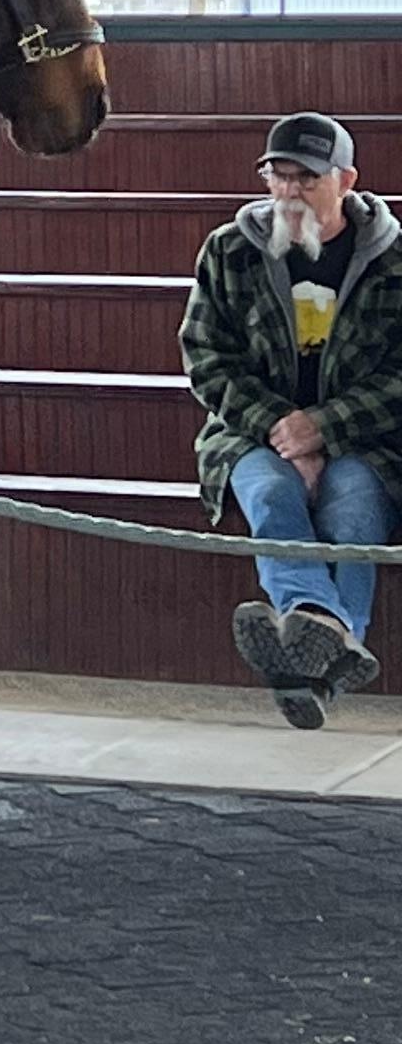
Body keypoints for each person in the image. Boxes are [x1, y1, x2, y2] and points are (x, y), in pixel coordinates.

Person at [185, 112, 402, 730]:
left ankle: (313, 651)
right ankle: (334, 638)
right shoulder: (229, 250)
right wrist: (286, 430)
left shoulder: (395, 259)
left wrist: (325, 428)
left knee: (356, 505)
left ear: (346, 180)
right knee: (272, 491)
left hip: (369, 441)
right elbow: (206, 359)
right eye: (277, 176)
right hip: (250, 435)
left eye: (305, 179)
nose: (287, 192)